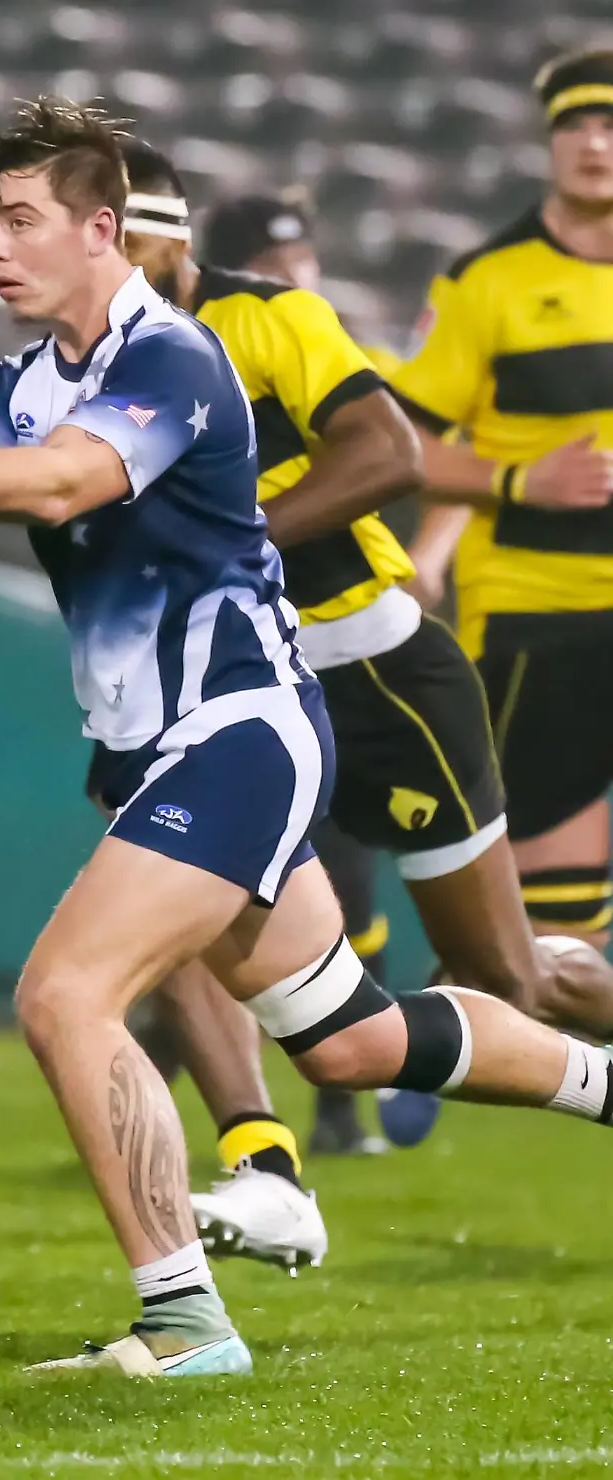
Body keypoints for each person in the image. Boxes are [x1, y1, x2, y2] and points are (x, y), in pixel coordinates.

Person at [0, 99, 613, 1378]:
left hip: (237, 729)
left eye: (21, 221)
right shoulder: (10, 380)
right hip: (159, 745)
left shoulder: (174, 356)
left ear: (103, 228)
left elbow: (67, 481)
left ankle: (185, 1321)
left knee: (66, 996)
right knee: (355, 1035)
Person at [115, 139, 613, 1271]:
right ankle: (268, 1162)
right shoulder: (89, 360)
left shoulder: (271, 319)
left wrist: (228, 548)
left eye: (121, 232)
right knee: (186, 913)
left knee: (509, 974)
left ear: (162, 233)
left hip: (379, 673)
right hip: (243, 689)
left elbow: (389, 452)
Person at [391, 45, 613, 953]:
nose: (595, 144)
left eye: (611, 125)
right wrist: (521, 480)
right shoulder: (488, 281)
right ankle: (446, 1030)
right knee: (531, 919)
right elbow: (402, 445)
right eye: (575, 126)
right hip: (537, 617)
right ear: (549, 143)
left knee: (565, 919)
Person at [199, 186, 392, 1160]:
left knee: (343, 888)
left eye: (304, 260)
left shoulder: (316, 349)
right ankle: (238, 1120)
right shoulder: (192, 354)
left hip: (340, 651)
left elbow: (399, 452)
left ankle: (327, 1111)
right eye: (277, 263)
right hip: (229, 668)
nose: (295, 278)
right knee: (202, 905)